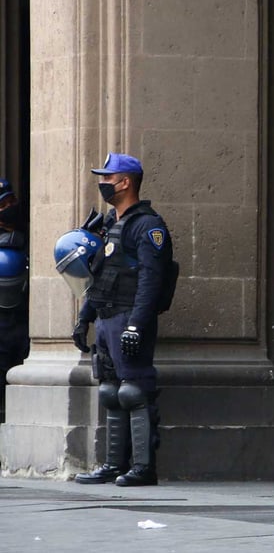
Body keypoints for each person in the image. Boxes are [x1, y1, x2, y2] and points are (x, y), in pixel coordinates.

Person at [71, 152, 174, 487]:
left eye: (107, 178)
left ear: (126, 181)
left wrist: (137, 324)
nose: (102, 184)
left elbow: (151, 279)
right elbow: (97, 277)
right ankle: (114, 464)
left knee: (135, 391)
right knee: (110, 392)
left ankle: (143, 468)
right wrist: (84, 318)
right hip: (105, 317)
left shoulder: (148, 226)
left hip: (128, 316)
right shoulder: (109, 225)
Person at [0, 179, 29, 423]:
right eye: (3, 204)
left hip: (23, 319)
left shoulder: (27, 233)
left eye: (12, 201)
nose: (10, 207)